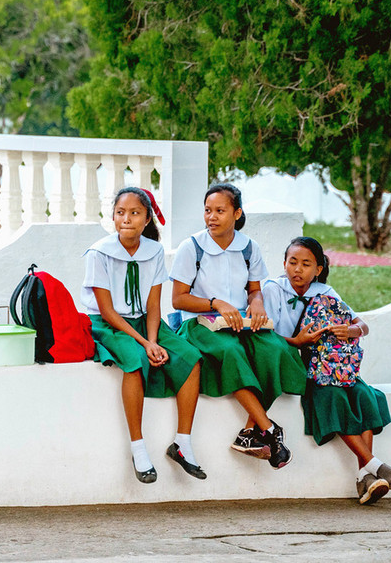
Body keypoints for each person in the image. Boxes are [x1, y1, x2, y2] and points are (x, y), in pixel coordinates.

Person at [170, 183, 306, 469]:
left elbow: (254, 290)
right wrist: (215, 303)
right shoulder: (191, 247)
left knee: (276, 350)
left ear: (237, 213)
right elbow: (178, 299)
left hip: (240, 322)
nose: (212, 217)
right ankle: (269, 430)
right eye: (208, 210)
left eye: (220, 210)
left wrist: (256, 302)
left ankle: (249, 432)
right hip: (200, 325)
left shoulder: (248, 247)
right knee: (231, 354)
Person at [263, 236, 391, 504]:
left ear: (318, 269)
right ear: (284, 263)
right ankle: (375, 467)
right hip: (300, 365)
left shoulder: (325, 293)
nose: (298, 269)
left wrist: (351, 330)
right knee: (333, 397)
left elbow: (362, 325)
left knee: (364, 395)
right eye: (292, 262)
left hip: (333, 364)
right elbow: (263, 335)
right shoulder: (272, 291)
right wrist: (297, 342)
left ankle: (366, 477)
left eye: (306, 264)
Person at [82, 187, 205, 484]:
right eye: (120, 213)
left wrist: (153, 338)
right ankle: (138, 449)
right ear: (112, 216)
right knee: (135, 361)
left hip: (145, 323)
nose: (127, 219)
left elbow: (153, 306)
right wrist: (146, 344)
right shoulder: (99, 253)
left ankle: (182, 444)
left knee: (191, 356)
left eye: (135, 213)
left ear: (147, 218)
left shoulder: (154, 251)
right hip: (109, 324)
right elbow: (108, 311)